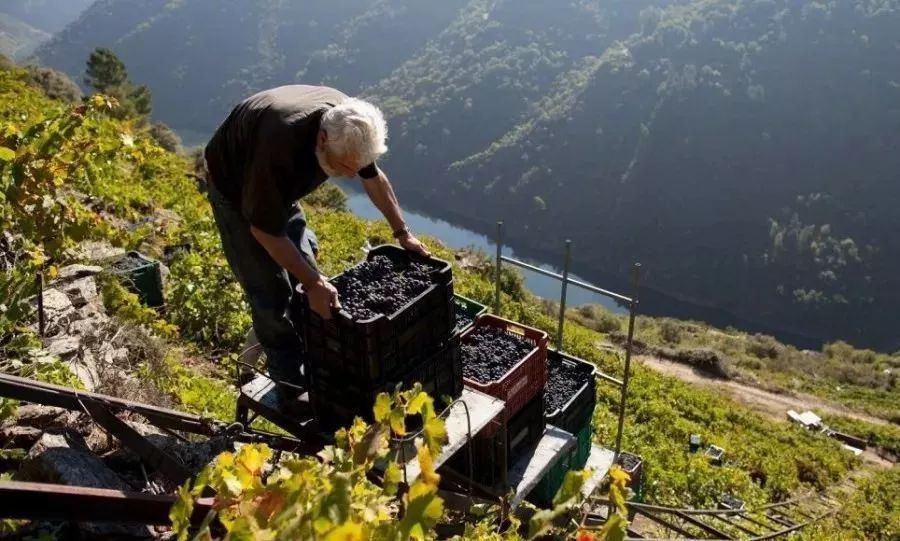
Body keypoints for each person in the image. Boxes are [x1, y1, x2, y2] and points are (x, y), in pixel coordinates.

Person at [204, 85, 428, 396]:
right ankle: (290, 387)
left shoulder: (349, 124)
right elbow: (263, 229)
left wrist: (403, 233)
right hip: (235, 188)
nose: (350, 176)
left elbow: (373, 179)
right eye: (344, 168)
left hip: (279, 189)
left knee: (307, 278)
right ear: (322, 140)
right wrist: (312, 283)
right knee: (271, 293)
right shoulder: (278, 143)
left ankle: (313, 358)